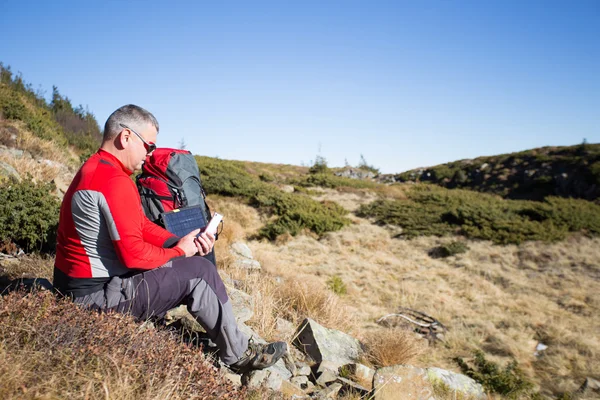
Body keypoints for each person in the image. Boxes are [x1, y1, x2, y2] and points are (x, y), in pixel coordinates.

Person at [53, 104, 286, 373]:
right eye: (148, 146)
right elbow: (133, 255)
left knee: (191, 263)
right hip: (93, 301)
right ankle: (239, 354)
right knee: (200, 272)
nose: (149, 154)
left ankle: (230, 339)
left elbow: (139, 225)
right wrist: (180, 253)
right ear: (125, 137)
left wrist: (177, 241)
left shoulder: (98, 168)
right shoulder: (113, 180)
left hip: (79, 290)